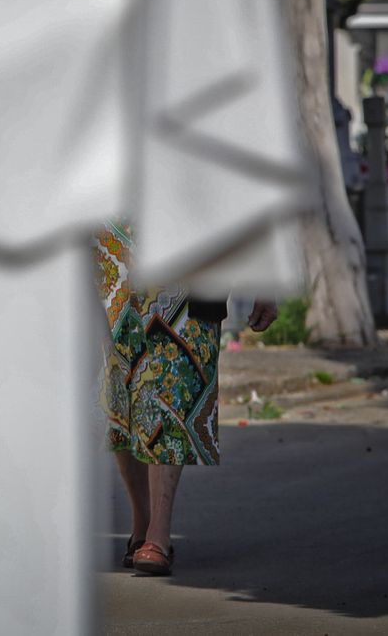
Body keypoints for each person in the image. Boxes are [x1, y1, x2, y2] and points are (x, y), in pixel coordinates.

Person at [95, 220, 276, 576]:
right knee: (119, 400)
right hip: (110, 250)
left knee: (171, 389)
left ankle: (158, 535)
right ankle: (142, 522)